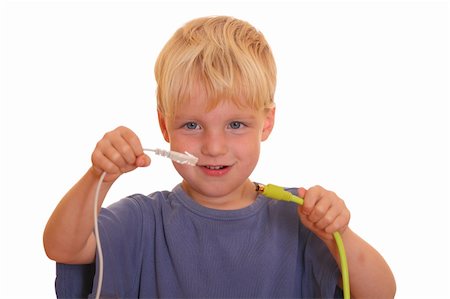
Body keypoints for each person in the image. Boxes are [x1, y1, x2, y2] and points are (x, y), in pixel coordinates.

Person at [43, 15, 396, 298]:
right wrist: (98, 176)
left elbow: (381, 293)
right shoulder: (143, 221)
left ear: (267, 123)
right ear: (164, 126)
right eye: (193, 125)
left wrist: (338, 235)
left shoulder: (299, 219)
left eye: (236, 124)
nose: (214, 146)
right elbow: (63, 247)